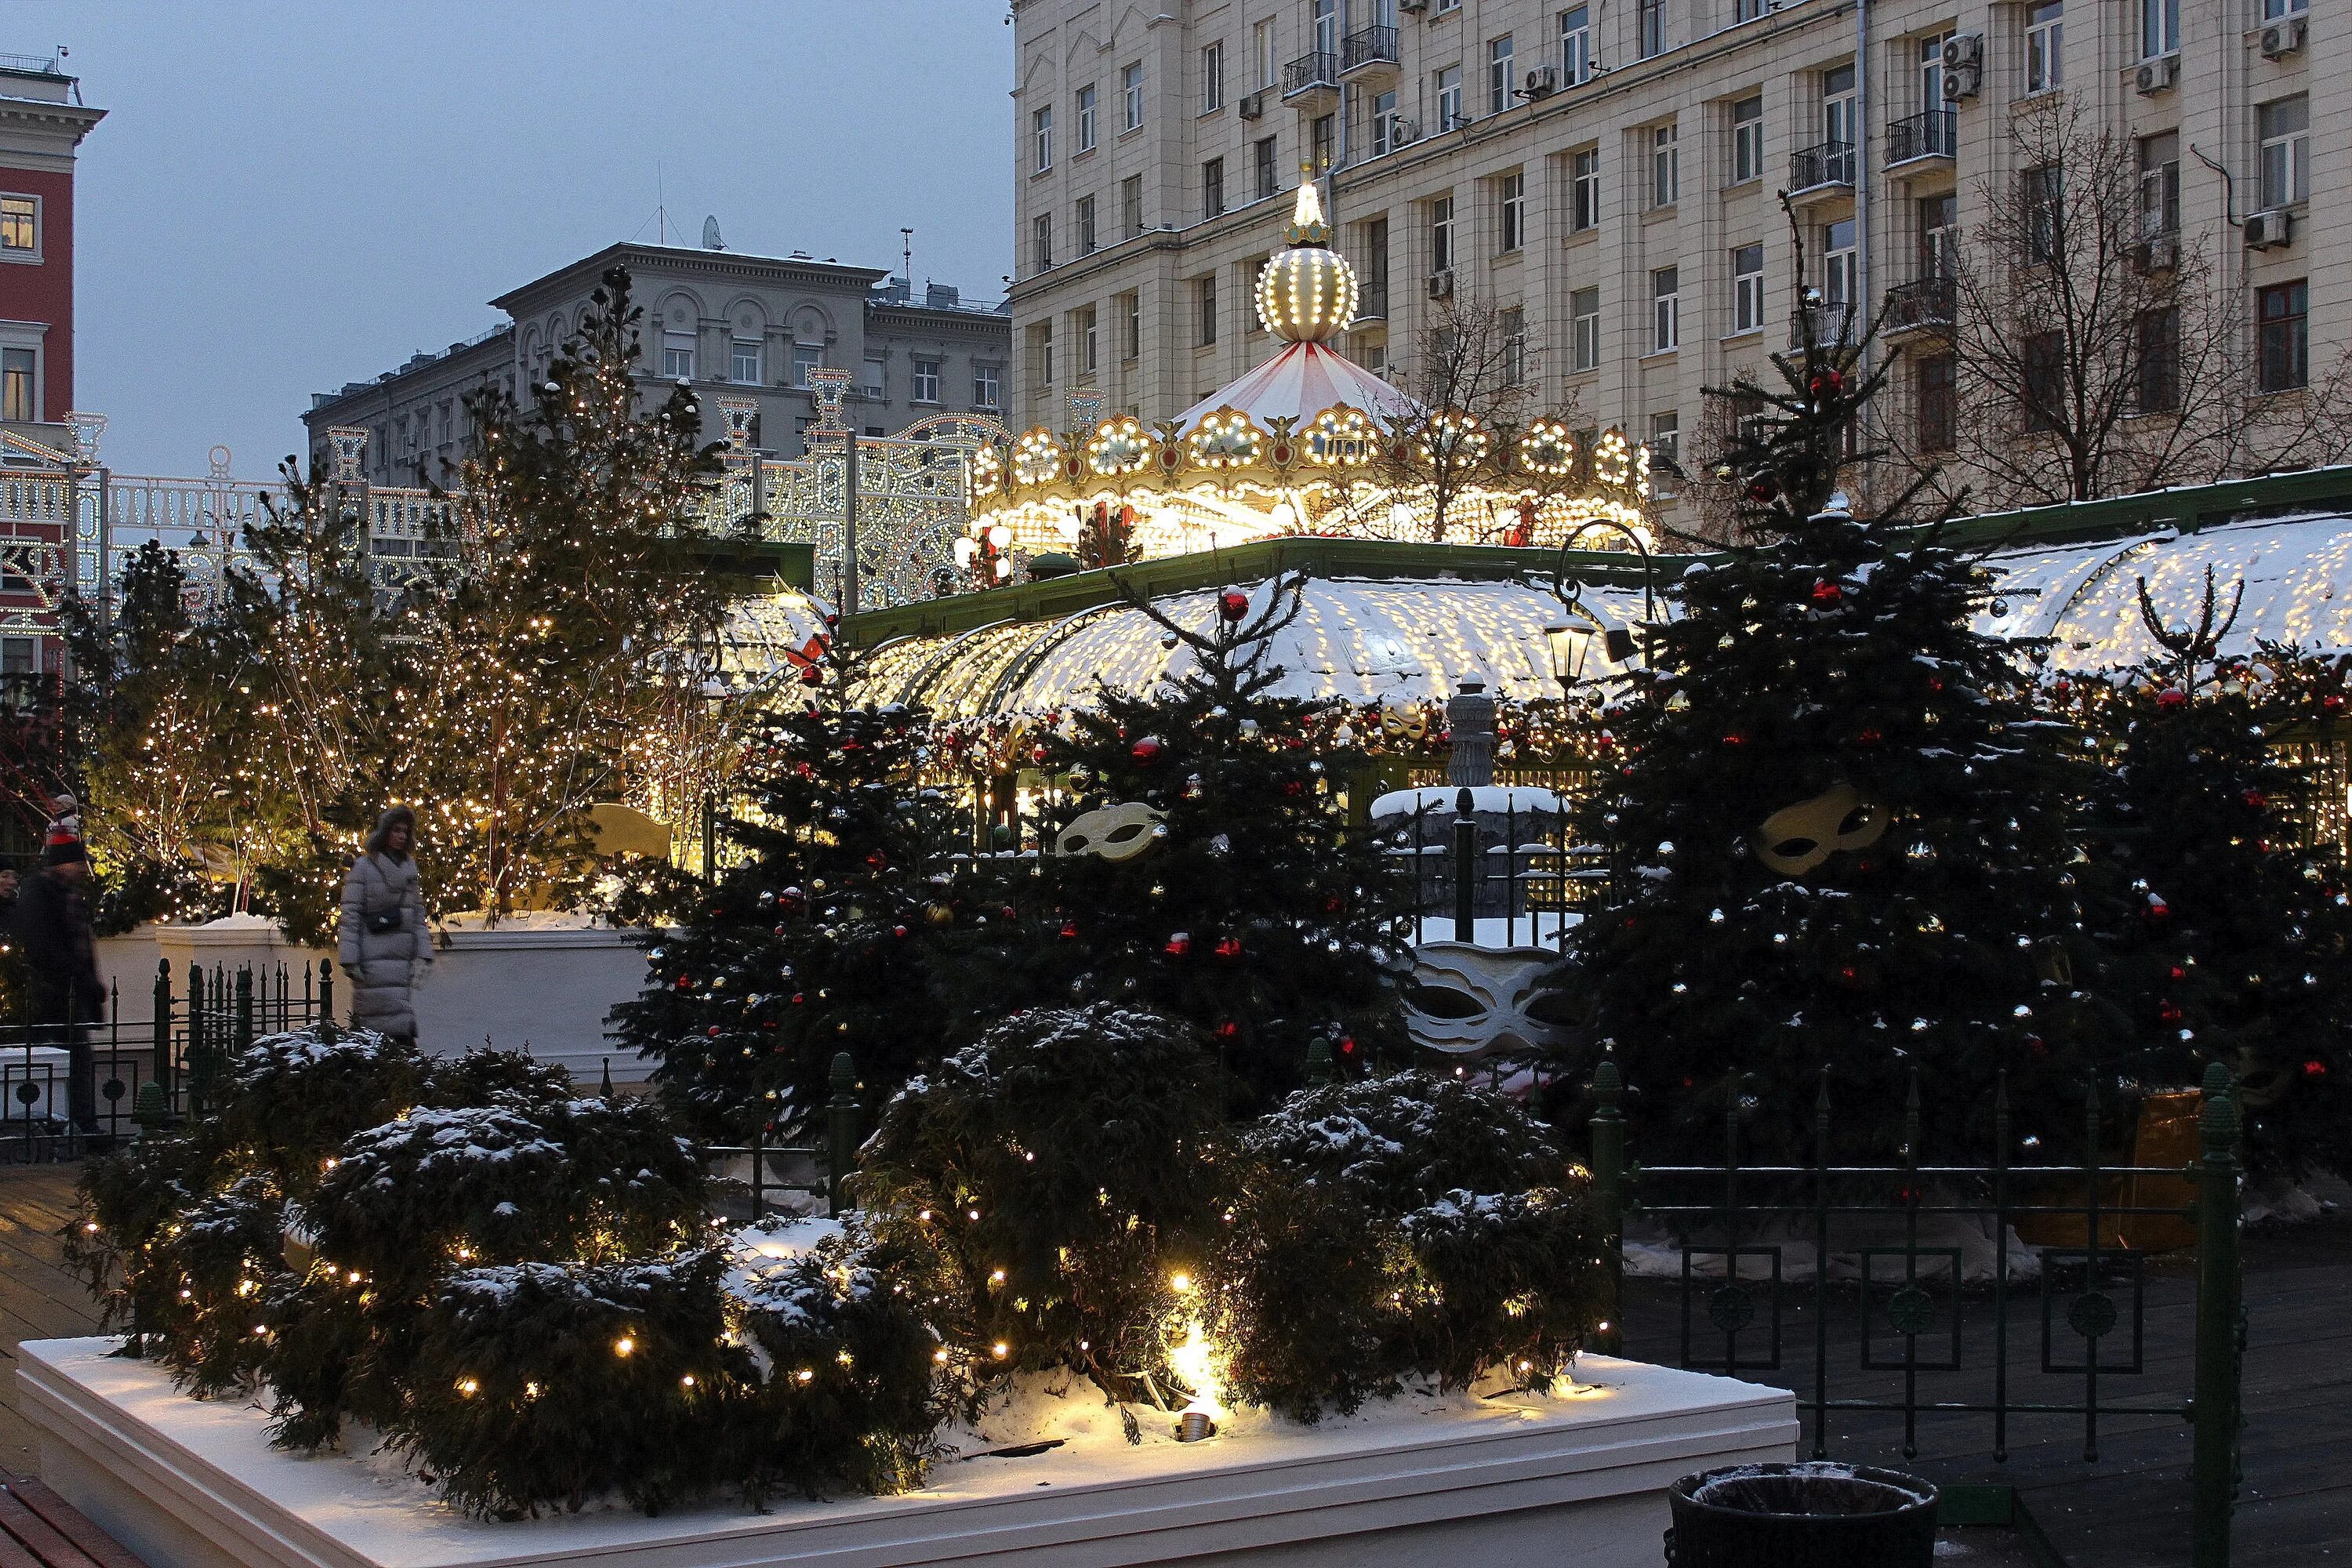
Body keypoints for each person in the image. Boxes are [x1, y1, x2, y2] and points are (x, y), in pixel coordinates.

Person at [13, 828, 103, 1140]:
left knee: (75, 1057)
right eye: (76, 863)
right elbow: (45, 944)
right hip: (50, 992)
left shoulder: (67, 894)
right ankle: (70, 1124)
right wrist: (79, 975)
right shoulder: (41, 893)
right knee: (63, 1058)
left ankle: (76, 1123)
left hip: (68, 990)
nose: (82, 869)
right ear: (60, 864)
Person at [339, 807, 430, 1043]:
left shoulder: (409, 870)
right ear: (385, 832)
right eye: (396, 830)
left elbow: (418, 914)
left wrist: (423, 955)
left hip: (400, 960)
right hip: (372, 959)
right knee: (377, 1021)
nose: (401, 836)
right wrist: (350, 959)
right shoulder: (363, 869)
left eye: (406, 832)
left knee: (398, 1016)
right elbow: (351, 915)